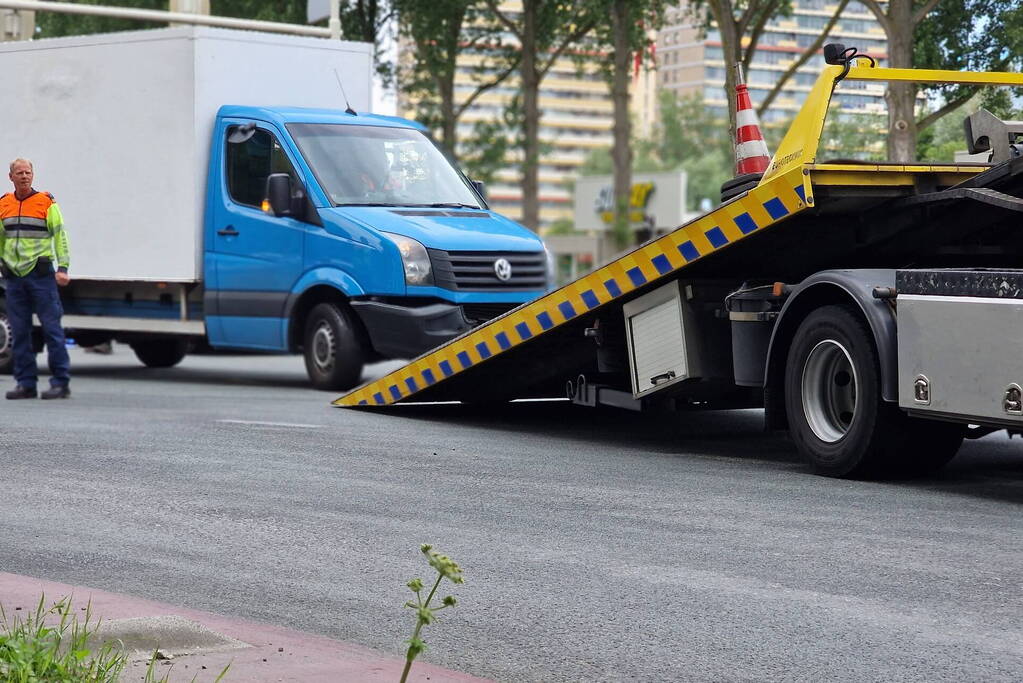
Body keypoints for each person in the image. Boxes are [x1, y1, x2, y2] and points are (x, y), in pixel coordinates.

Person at [0, 158, 71, 399]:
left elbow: (60, 236)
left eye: (27, 172)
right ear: (11, 177)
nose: (24, 176)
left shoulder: (46, 202)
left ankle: (60, 382)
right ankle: (25, 383)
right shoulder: (4, 204)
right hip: (14, 277)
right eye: (19, 173)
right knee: (20, 332)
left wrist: (63, 267)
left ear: (33, 175)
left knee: (52, 330)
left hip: (41, 276)